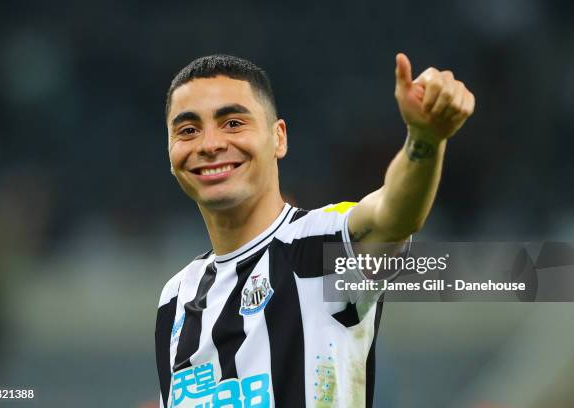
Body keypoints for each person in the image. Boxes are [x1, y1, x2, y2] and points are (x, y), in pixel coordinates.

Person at [155, 54, 474, 407]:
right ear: (169, 152)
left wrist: (424, 139)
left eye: (232, 123)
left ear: (278, 139)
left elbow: (393, 214)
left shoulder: (319, 246)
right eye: (187, 130)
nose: (209, 144)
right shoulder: (176, 297)